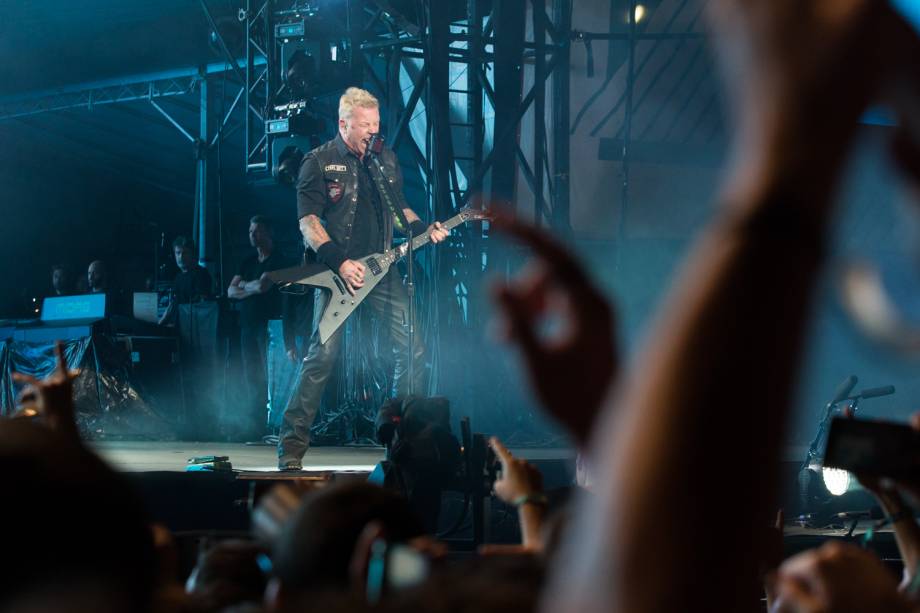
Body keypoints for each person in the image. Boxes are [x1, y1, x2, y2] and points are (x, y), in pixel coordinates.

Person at [276, 86, 448, 471]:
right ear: (344, 124)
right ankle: (291, 447)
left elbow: (399, 209)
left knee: (412, 348)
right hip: (339, 274)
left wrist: (423, 228)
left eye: (376, 124)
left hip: (382, 272)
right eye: (365, 125)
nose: (373, 131)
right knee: (322, 357)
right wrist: (339, 261)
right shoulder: (317, 161)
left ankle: (402, 442)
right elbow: (308, 222)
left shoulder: (384, 159)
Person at [228, 215, 288, 441]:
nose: (252, 235)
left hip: (270, 327)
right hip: (247, 327)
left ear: (268, 233)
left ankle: (273, 426)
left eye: (257, 231)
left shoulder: (279, 260)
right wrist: (250, 286)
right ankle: (255, 427)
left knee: (269, 377)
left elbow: (264, 287)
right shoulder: (247, 261)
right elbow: (230, 291)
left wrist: (246, 286)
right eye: (250, 231)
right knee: (250, 377)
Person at [158, 236, 213, 326]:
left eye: (185, 253)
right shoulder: (178, 277)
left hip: (194, 327)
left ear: (192, 254)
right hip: (179, 326)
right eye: (178, 253)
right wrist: (161, 323)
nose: (181, 257)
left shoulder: (201, 274)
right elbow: (173, 303)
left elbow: (202, 304)